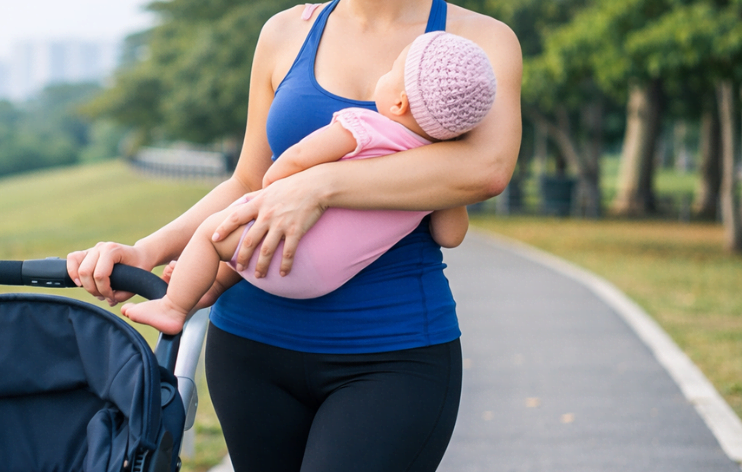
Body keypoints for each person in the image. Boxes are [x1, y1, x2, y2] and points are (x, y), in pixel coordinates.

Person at [67, 0, 522, 472]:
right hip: (251, 350)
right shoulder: (285, 33)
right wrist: (147, 251)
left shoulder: (479, 43)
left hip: (393, 355)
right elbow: (246, 182)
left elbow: (486, 168)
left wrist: (320, 185)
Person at [121, 31, 497, 335]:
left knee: (211, 236)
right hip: (324, 279)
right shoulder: (434, 173)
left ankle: (174, 306)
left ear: (399, 104)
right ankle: (210, 283)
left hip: (287, 250)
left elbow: (298, 157)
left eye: (390, 72)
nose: (382, 76)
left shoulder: (365, 126)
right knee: (239, 252)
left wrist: (272, 188)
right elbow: (450, 235)